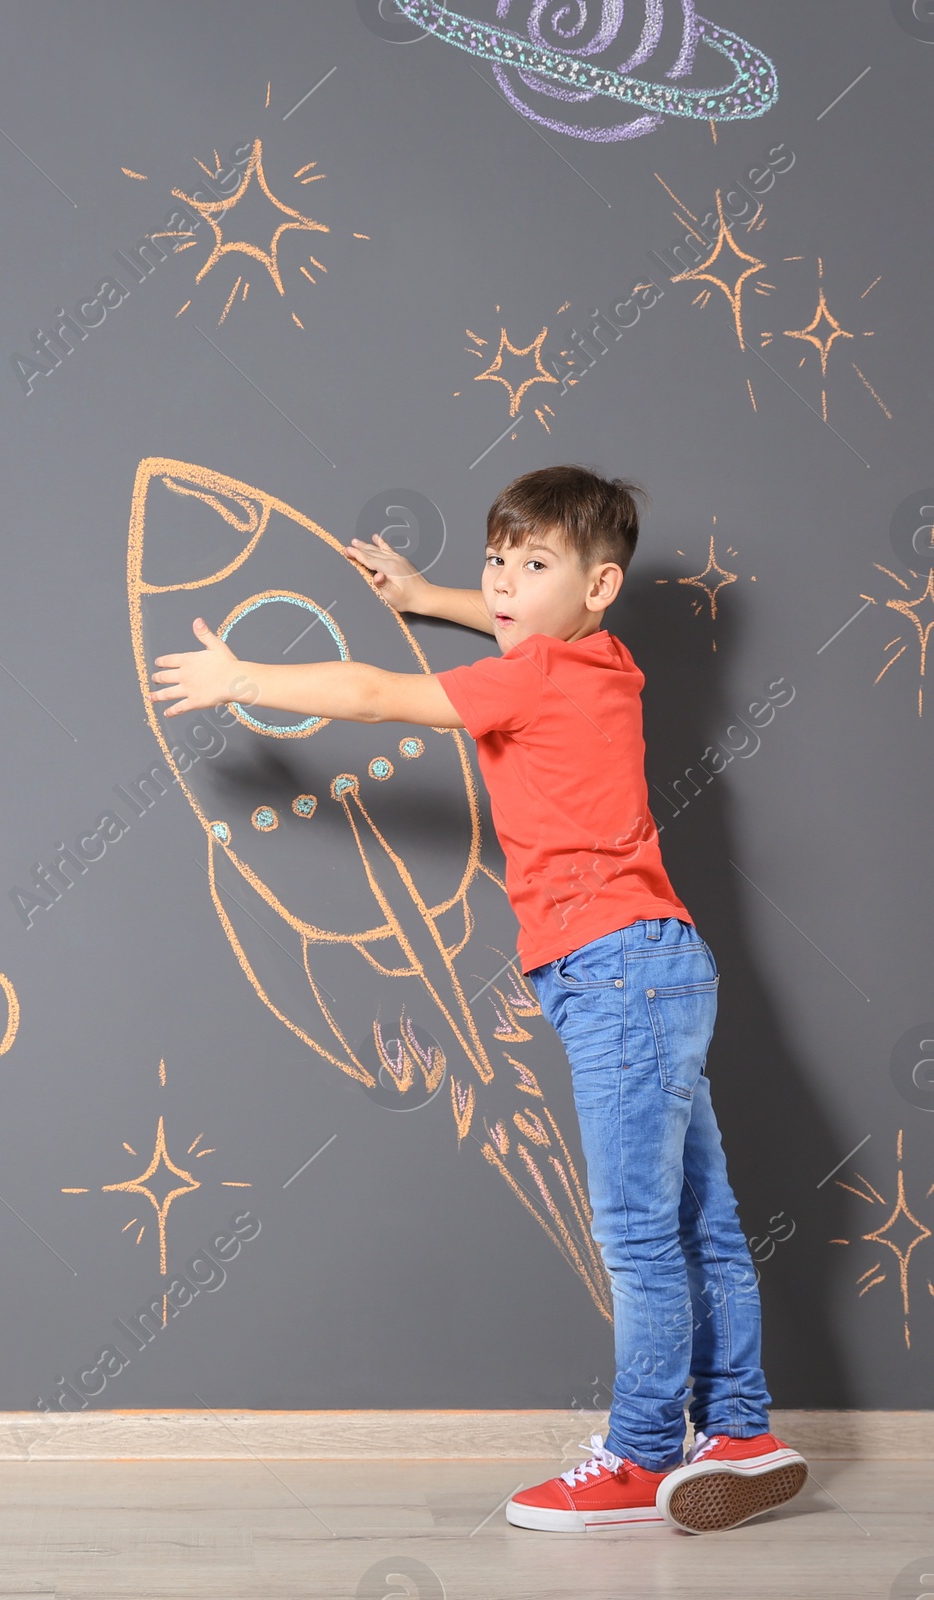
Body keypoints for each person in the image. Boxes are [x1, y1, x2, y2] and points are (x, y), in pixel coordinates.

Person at [149, 464, 807, 1535]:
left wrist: (240, 676)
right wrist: (426, 596)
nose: (499, 583)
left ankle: (644, 1456)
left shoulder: (535, 676)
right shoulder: (606, 663)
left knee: (638, 1233)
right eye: (493, 560)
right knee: (701, 1219)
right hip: (662, 964)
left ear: (596, 586)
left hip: (609, 970)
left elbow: (371, 695)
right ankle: (737, 1430)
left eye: (529, 565)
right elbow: (513, 623)